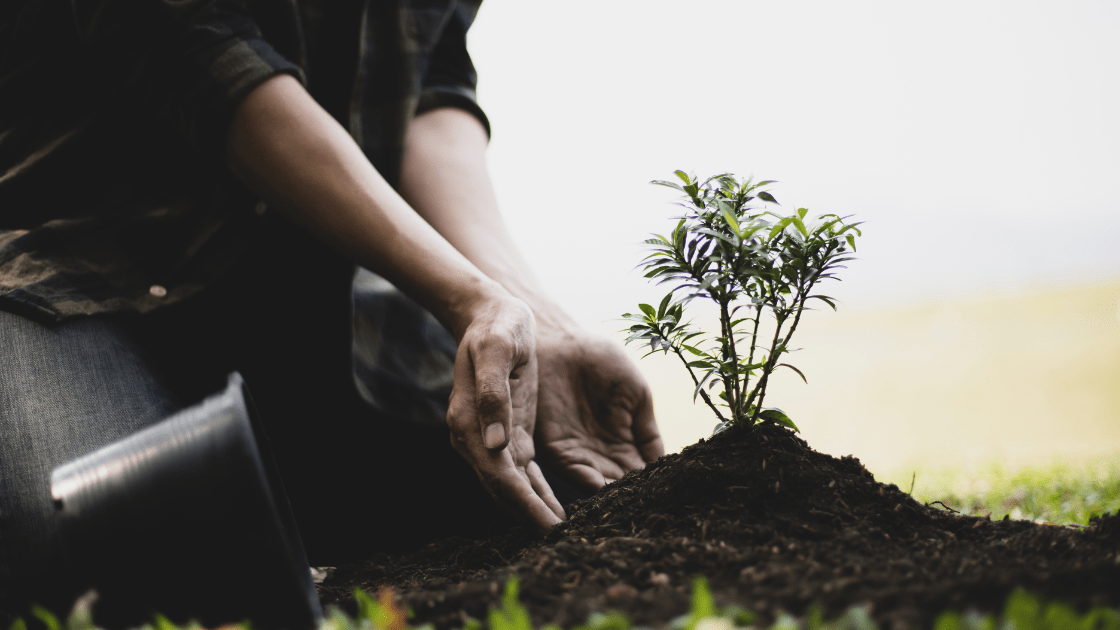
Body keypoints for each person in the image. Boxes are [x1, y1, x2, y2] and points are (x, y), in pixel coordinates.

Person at [0, 0, 663, 619]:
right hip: (65, 274)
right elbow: (197, 53)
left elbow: (429, 86)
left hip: (326, 308)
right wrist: (465, 296)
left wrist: (531, 318)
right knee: (106, 547)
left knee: (573, 506)